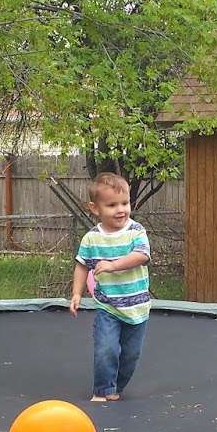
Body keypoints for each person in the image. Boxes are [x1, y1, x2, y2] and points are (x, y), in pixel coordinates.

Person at [69, 172, 151, 402]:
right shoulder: (91, 238)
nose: (120, 210)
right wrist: (76, 293)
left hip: (137, 307)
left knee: (130, 355)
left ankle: (116, 387)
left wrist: (113, 265)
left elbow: (142, 256)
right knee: (106, 349)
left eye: (125, 203)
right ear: (95, 208)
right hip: (108, 306)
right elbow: (81, 266)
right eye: (112, 205)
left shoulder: (136, 231)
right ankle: (102, 390)